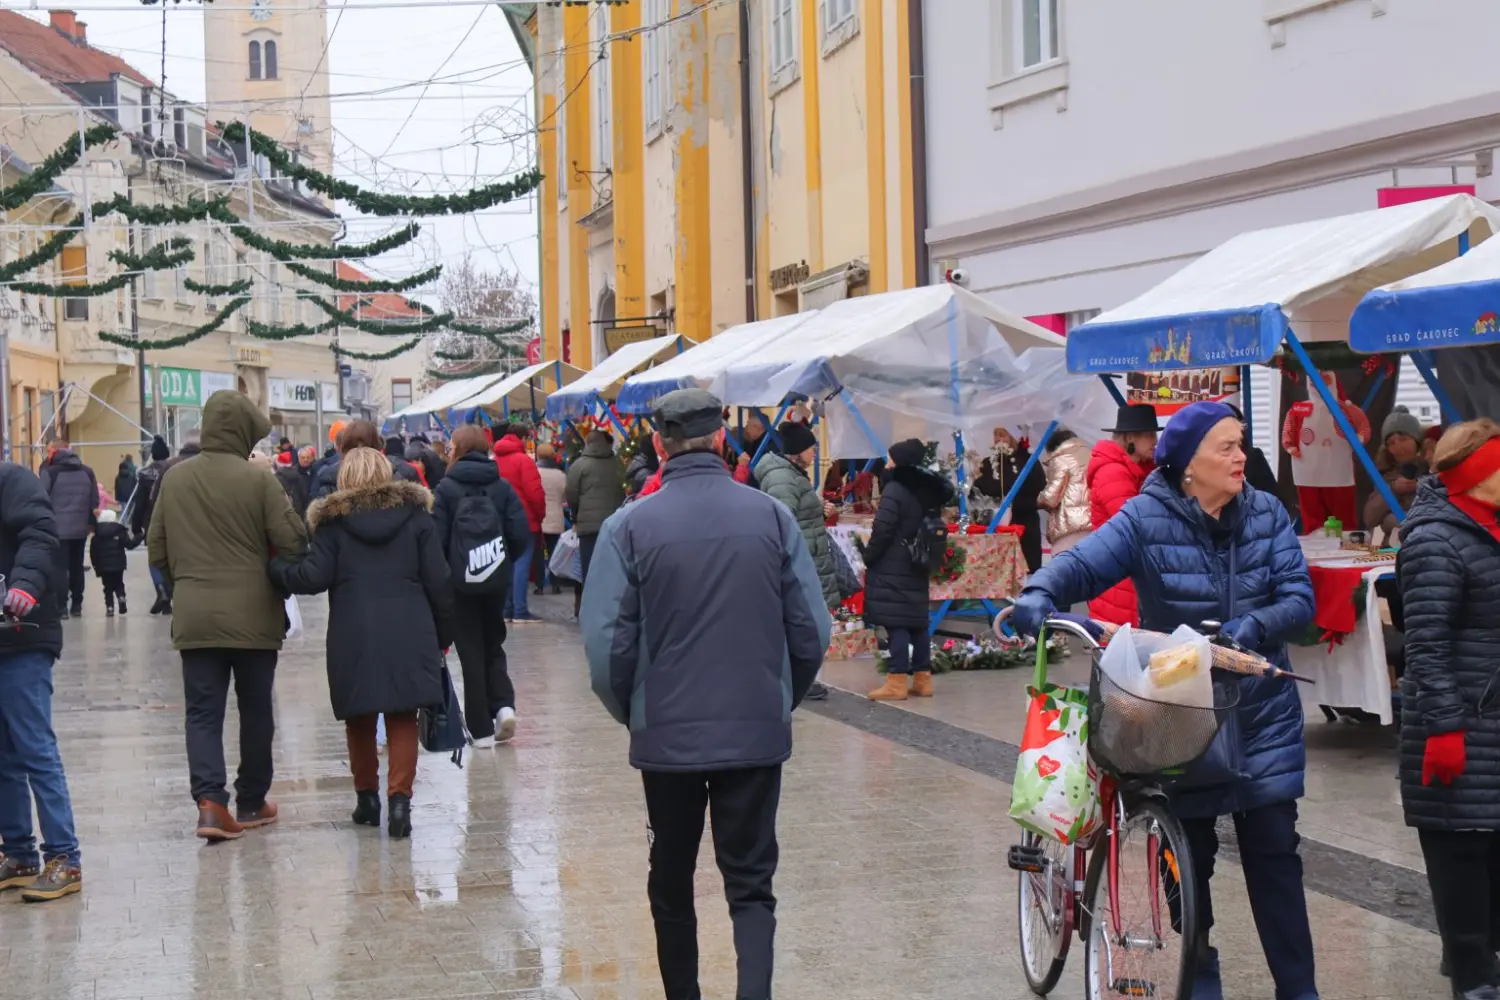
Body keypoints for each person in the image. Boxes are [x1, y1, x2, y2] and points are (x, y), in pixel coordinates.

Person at [1012, 400, 1318, 1000]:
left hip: (1260, 717)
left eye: (1241, 444)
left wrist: (1256, 625)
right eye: (1226, 447)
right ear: (1188, 464)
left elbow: (1299, 598)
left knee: (1276, 855)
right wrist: (1039, 590)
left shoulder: (1267, 512)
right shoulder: (1145, 516)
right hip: (1180, 718)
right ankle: (1198, 970)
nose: (1241, 457)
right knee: (1185, 863)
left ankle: (1299, 990)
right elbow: (1083, 564)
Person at [581, 389, 830, 1000]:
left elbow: (606, 646)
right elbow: (811, 629)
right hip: (753, 725)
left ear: (660, 444)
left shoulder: (628, 526)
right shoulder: (771, 517)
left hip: (667, 732)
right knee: (751, 884)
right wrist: (778, 697)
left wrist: (637, 711)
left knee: (671, 880)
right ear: (721, 438)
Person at [147, 391, 310, 842]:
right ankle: (252, 800)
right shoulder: (258, 481)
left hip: (196, 615)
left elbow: (156, 548)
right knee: (256, 709)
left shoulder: (176, 479)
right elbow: (294, 542)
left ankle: (211, 804)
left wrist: (184, 586)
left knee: (202, 712)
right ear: (242, 433)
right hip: (255, 616)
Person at [269, 448, 453, 839]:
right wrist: (443, 634)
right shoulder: (417, 519)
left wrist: (277, 569)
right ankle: (400, 803)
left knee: (360, 717)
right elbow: (439, 581)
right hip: (410, 628)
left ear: (345, 478)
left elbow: (313, 576)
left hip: (353, 631)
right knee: (403, 715)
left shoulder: (333, 525)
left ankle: (367, 799)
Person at [1395, 419, 1500, 1000]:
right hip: (1459, 723)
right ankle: (1473, 980)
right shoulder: (1435, 540)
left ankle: (1481, 962)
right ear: (1477, 475)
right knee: (1460, 854)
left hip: (1492, 721)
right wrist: (1444, 728)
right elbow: (1426, 646)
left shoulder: (1490, 526)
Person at [0, 462, 81, 901]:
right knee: (3, 756)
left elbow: (40, 534)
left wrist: (24, 585)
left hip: (23, 633)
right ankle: (19, 854)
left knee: (35, 750)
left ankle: (64, 857)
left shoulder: (13, 481)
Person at [432, 425, 531, 748]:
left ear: (459, 450)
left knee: (470, 651)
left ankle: (481, 730)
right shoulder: (501, 486)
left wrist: (449, 573)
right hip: (494, 580)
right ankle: (503, 706)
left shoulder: (446, 489)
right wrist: (501, 561)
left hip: (460, 586)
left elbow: (436, 540)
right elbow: (520, 533)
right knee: (493, 642)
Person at [864, 439, 955, 701]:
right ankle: (923, 680)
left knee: (897, 624)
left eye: (890, 458)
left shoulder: (895, 488)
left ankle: (897, 682)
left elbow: (883, 528)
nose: (887, 463)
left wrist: (869, 555)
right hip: (918, 560)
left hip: (894, 561)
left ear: (899, 461)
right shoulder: (927, 489)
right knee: (917, 623)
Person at [1085, 404, 1160, 628]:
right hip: (1118, 573)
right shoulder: (1113, 472)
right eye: (1149, 435)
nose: (1155, 441)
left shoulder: (1140, 470)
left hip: (1126, 571)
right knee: (1121, 639)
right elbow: (1134, 522)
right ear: (1129, 438)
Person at [1282, 371, 1371, 533]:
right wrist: (1289, 445)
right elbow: (1290, 426)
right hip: (1308, 471)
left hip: (1338, 472)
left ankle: (1345, 541)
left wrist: (1359, 439)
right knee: (1312, 516)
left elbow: (1363, 425)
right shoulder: (1300, 408)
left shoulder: (1345, 409)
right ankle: (1314, 538)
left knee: (1344, 518)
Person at [38, 441, 97, 619]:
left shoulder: (50, 472)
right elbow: (94, 500)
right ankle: (77, 604)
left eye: (49, 451)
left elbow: (41, 498)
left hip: (57, 529)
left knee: (59, 568)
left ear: (56, 452)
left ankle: (61, 607)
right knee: (77, 566)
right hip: (80, 528)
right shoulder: (87, 472)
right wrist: (90, 522)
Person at [493, 426, 545, 623]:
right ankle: (520, 609)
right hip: (524, 519)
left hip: (500, 520)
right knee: (521, 564)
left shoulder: (494, 461)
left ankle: (506, 609)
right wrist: (539, 516)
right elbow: (535, 493)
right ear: (522, 439)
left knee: (506, 564)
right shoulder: (524, 461)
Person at [977, 428, 1045, 572]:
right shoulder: (988, 463)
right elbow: (981, 491)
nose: (998, 439)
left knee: (1027, 569)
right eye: (995, 435)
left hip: (1025, 523)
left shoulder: (1029, 461)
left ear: (1013, 437)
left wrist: (1020, 503)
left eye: (1003, 435)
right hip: (998, 527)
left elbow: (1040, 488)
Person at [565, 431, 626, 584]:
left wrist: (575, 515)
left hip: (588, 526)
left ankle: (590, 598)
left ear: (587, 443)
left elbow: (571, 494)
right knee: (612, 570)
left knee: (590, 569)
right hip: (614, 524)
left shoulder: (579, 465)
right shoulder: (617, 464)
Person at [1365, 405, 1428, 541]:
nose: (1398, 447)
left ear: (1417, 440)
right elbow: (1369, 519)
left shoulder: (1432, 470)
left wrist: (1421, 486)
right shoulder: (1386, 474)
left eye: (1403, 439)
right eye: (1391, 443)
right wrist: (1393, 489)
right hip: (1391, 548)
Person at [1035, 429, 1093, 556]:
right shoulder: (1091, 455)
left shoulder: (1060, 459)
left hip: (1069, 527)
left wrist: (1037, 499)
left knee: (1066, 565)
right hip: (1093, 524)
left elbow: (1050, 499)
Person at [88, 509, 136, 616]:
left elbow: (93, 553)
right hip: (118, 565)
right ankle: (121, 597)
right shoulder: (120, 531)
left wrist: (96, 567)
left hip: (103, 566)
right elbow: (129, 545)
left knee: (107, 587)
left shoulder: (97, 535)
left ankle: (110, 608)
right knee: (119, 583)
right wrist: (139, 537)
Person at [536, 443, 567, 596]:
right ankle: (555, 584)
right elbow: (565, 497)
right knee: (555, 552)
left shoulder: (535, 472)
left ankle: (540, 585)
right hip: (556, 517)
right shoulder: (560, 475)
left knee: (539, 553)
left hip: (539, 518)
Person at [274, 451, 309, 519]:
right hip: (298, 510)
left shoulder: (276, 478)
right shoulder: (298, 475)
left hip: (283, 512)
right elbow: (304, 493)